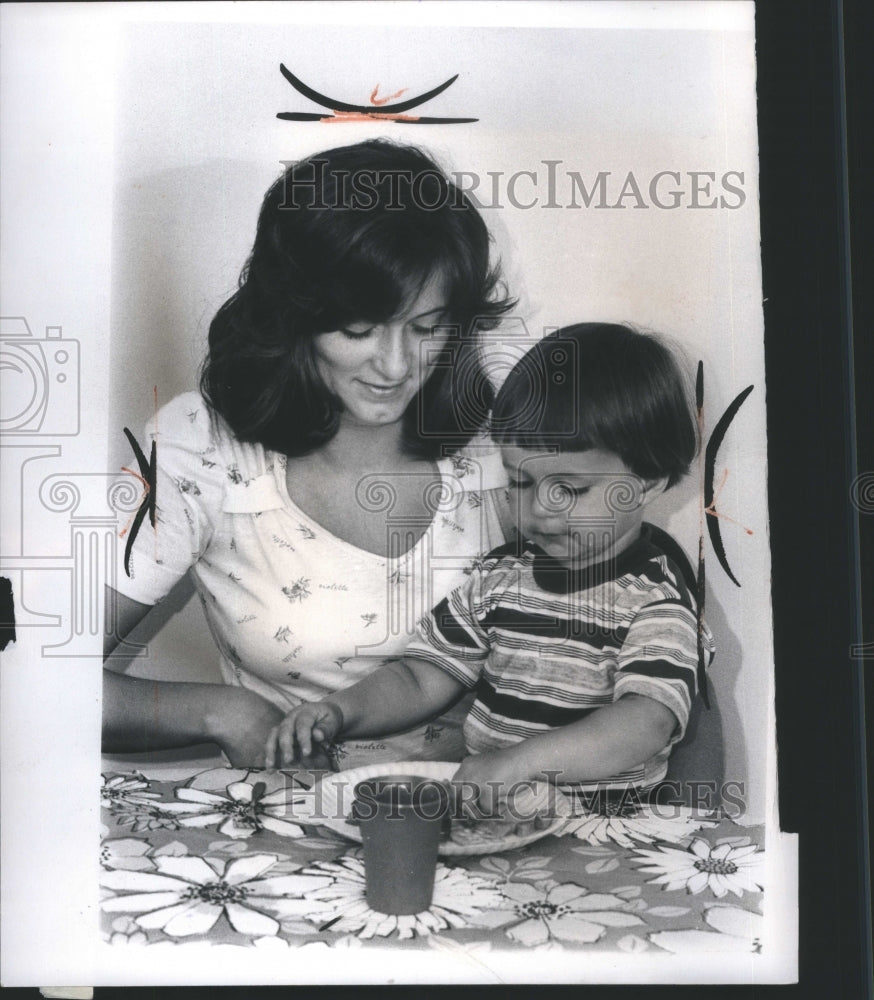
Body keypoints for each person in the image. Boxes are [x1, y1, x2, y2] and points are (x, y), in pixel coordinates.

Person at [102, 139, 515, 768]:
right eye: (358, 329)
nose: (397, 365)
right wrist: (220, 712)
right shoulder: (200, 449)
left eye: (427, 327)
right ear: (294, 316)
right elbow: (26, 670)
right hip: (292, 828)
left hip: (500, 823)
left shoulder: (505, 444)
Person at [265, 323, 714, 811]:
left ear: (647, 480)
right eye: (521, 483)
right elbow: (421, 676)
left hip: (602, 832)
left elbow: (644, 723)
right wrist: (340, 710)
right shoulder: (499, 578)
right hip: (495, 820)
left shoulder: (657, 601)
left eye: (570, 489)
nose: (540, 509)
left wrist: (521, 763)